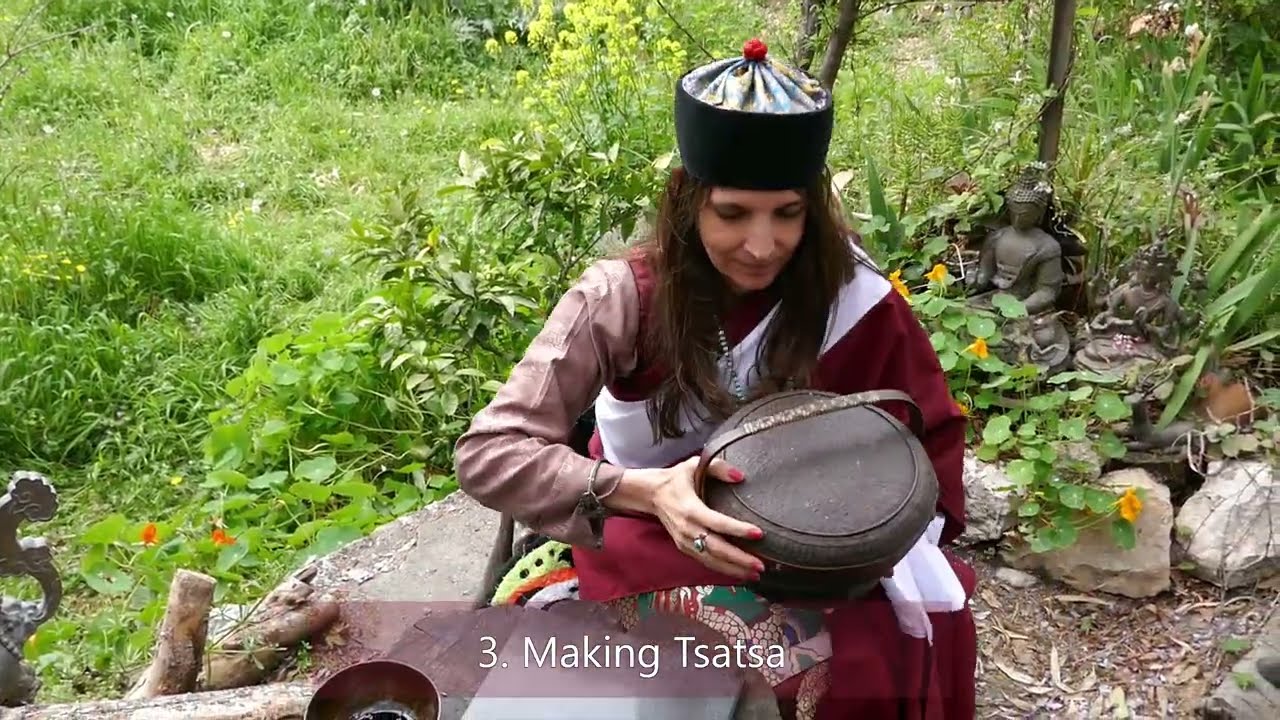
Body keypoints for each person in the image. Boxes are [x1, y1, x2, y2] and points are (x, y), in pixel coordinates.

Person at [454, 37, 978, 719]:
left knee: (882, 650)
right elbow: (487, 453)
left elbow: (928, 436)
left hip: (817, 553)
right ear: (687, 201)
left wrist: (868, 530)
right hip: (652, 534)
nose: (762, 245)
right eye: (732, 213)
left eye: (788, 214)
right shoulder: (622, 298)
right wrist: (640, 492)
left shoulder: (849, 297)